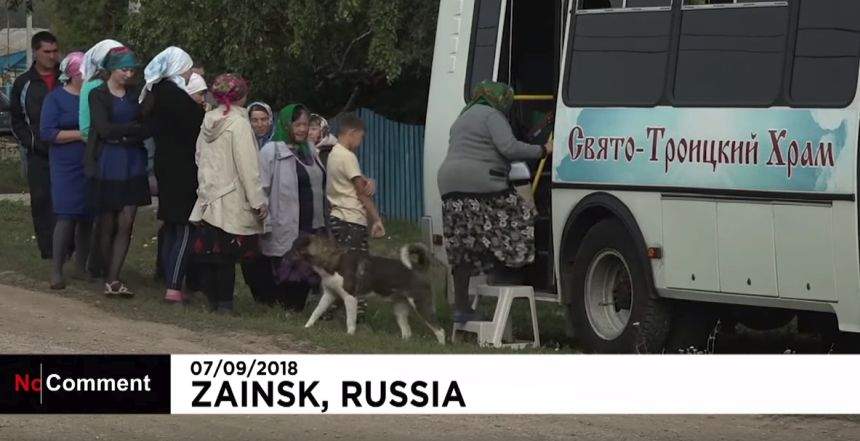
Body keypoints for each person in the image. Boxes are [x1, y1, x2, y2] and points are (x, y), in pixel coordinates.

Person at [436, 80, 553, 323]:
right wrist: (543, 150)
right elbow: (509, 148)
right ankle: (507, 271)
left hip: (449, 186)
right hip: (481, 184)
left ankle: (461, 308)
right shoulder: (492, 115)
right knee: (521, 215)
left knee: (464, 245)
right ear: (500, 99)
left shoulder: (463, 117)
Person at [189, 74, 268, 314]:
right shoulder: (239, 124)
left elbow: (199, 157)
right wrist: (257, 200)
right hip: (232, 196)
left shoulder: (208, 121)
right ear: (241, 96)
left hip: (210, 195)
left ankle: (213, 300)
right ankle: (225, 304)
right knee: (228, 255)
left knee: (212, 251)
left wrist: (206, 186)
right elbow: (248, 166)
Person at [245, 104, 327, 312]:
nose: (302, 129)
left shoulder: (310, 150)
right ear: (286, 124)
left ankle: (294, 310)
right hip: (288, 224)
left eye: (306, 125)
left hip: (312, 225)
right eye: (297, 124)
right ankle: (282, 310)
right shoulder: (272, 151)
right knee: (288, 274)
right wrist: (264, 216)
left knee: (307, 274)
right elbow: (261, 188)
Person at [84, 46, 152, 297]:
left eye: (132, 69)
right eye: (124, 69)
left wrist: (127, 131)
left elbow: (146, 127)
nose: (128, 74)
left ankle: (114, 278)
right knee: (107, 220)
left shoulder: (135, 94)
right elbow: (103, 129)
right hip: (108, 161)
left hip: (132, 160)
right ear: (112, 69)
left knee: (127, 220)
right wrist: (130, 130)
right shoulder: (98, 95)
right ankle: (103, 270)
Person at [140, 46, 203, 304]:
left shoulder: (157, 94)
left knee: (171, 226)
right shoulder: (177, 98)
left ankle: (167, 278)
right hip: (183, 170)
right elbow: (198, 125)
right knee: (186, 227)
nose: (190, 74)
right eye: (187, 68)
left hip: (166, 167)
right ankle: (174, 286)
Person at [39, 52, 89, 289]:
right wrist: (81, 134)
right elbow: (48, 132)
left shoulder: (91, 97)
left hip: (89, 161)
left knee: (88, 216)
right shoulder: (56, 99)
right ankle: (56, 269)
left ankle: (82, 265)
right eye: (83, 72)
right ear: (73, 74)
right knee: (67, 215)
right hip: (65, 163)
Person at [10, 31, 61, 259]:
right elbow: (16, 119)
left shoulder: (66, 78)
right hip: (38, 153)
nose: (51, 56)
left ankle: (68, 247)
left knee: (66, 199)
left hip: (67, 150)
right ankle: (47, 249)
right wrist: (30, 142)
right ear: (35, 52)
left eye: (54, 51)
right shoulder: (24, 83)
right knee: (41, 199)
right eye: (46, 52)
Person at [79, 38, 124, 279]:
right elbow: (87, 128)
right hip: (100, 156)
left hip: (120, 157)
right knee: (103, 216)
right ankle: (96, 264)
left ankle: (107, 265)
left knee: (117, 218)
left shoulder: (125, 89)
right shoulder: (92, 88)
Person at [326, 113, 384, 254]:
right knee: (358, 269)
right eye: (361, 137)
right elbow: (362, 194)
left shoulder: (333, 153)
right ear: (352, 133)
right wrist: (376, 219)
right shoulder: (348, 156)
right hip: (351, 221)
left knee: (344, 267)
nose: (360, 142)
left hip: (336, 219)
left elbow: (355, 179)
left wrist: (368, 181)